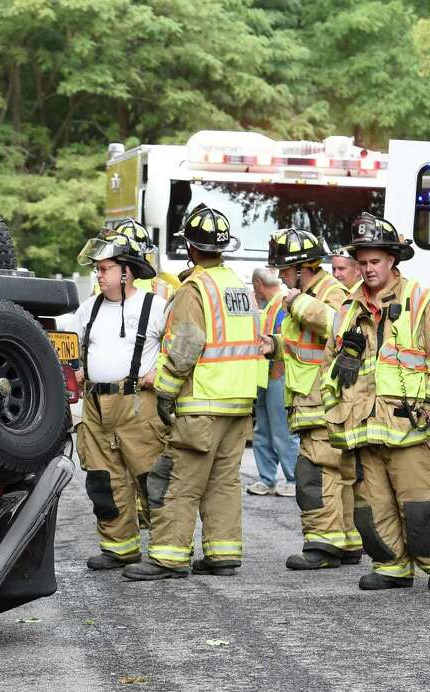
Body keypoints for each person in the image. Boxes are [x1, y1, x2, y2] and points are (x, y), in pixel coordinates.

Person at [123, 203, 262, 580]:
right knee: (223, 481)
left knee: (179, 478)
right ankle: (222, 554)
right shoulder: (239, 286)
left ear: (191, 247)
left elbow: (186, 345)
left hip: (202, 404)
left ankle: (168, 556)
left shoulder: (194, 288)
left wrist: (166, 392)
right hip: (239, 405)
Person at [322, 213, 430, 590]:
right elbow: (328, 368)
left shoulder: (420, 299)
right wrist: (334, 416)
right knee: (371, 509)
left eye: (375, 262)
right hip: (362, 429)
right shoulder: (348, 309)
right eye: (362, 262)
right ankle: (392, 566)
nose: (368, 269)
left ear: (392, 261)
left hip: (410, 428)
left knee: (420, 507)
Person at [259, 228, 360, 570]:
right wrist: (274, 345)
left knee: (314, 472)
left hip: (324, 400)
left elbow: (340, 328)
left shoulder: (329, 292)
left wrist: (298, 303)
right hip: (313, 398)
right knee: (337, 472)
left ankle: (323, 545)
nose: (283, 279)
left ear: (303, 268)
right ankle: (346, 540)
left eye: (286, 272)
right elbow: (306, 347)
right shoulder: (312, 292)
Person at [73, 233, 168, 570]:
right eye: (97, 269)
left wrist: (160, 372)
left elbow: (178, 349)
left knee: (151, 479)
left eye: (105, 268)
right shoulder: (89, 310)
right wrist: (79, 369)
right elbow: (74, 351)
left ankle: (166, 551)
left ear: (126, 272)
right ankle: (119, 548)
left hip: (138, 405)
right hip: (96, 407)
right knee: (103, 480)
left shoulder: (154, 306)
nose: (99, 275)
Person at [248, 266, 298, 497]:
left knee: (282, 431)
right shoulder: (272, 304)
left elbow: (283, 339)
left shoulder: (281, 303)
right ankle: (266, 479)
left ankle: (294, 478)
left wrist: (277, 373)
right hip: (264, 378)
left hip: (277, 376)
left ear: (258, 284)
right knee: (264, 430)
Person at [85, 219, 176, 300]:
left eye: (104, 269)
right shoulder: (165, 289)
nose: (99, 274)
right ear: (146, 254)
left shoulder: (100, 288)